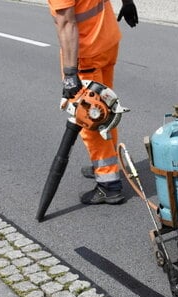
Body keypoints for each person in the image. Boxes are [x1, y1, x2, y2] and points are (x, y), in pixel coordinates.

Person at [48, 0, 138, 205]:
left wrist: (70, 72)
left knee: (91, 116)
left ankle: (109, 183)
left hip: (86, 54)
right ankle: (109, 165)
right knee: (106, 110)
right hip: (107, 41)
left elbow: (67, 23)